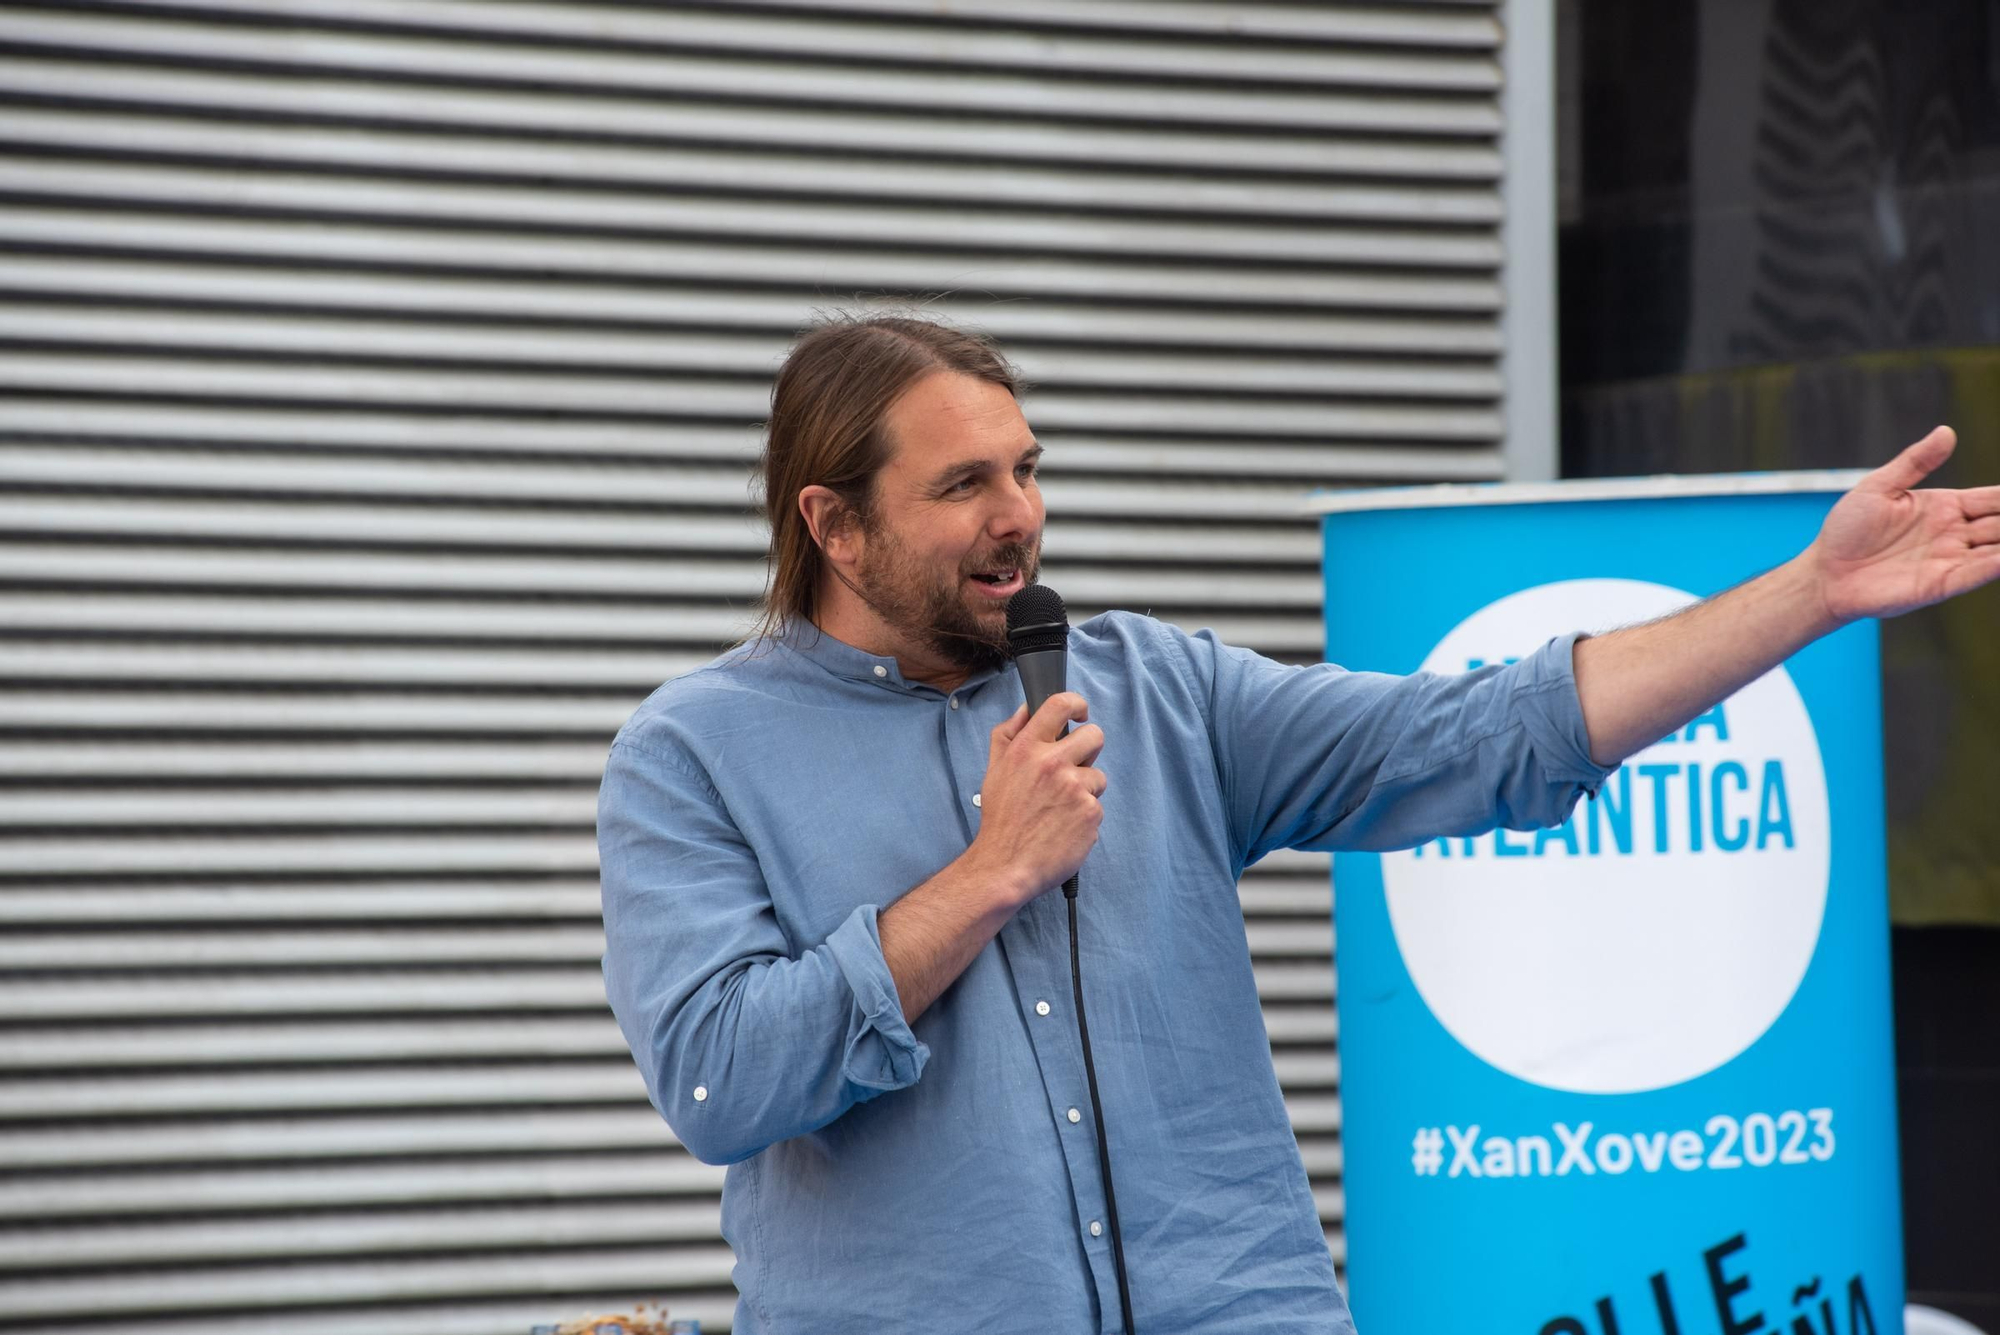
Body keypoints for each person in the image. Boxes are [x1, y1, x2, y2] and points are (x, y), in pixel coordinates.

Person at [597, 316, 2000, 1335]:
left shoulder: (1158, 687)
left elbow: (1486, 735)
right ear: (834, 526)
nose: (1020, 516)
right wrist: (991, 872)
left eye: (1026, 469)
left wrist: (1809, 597)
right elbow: (724, 1079)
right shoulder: (692, 757)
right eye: (964, 487)